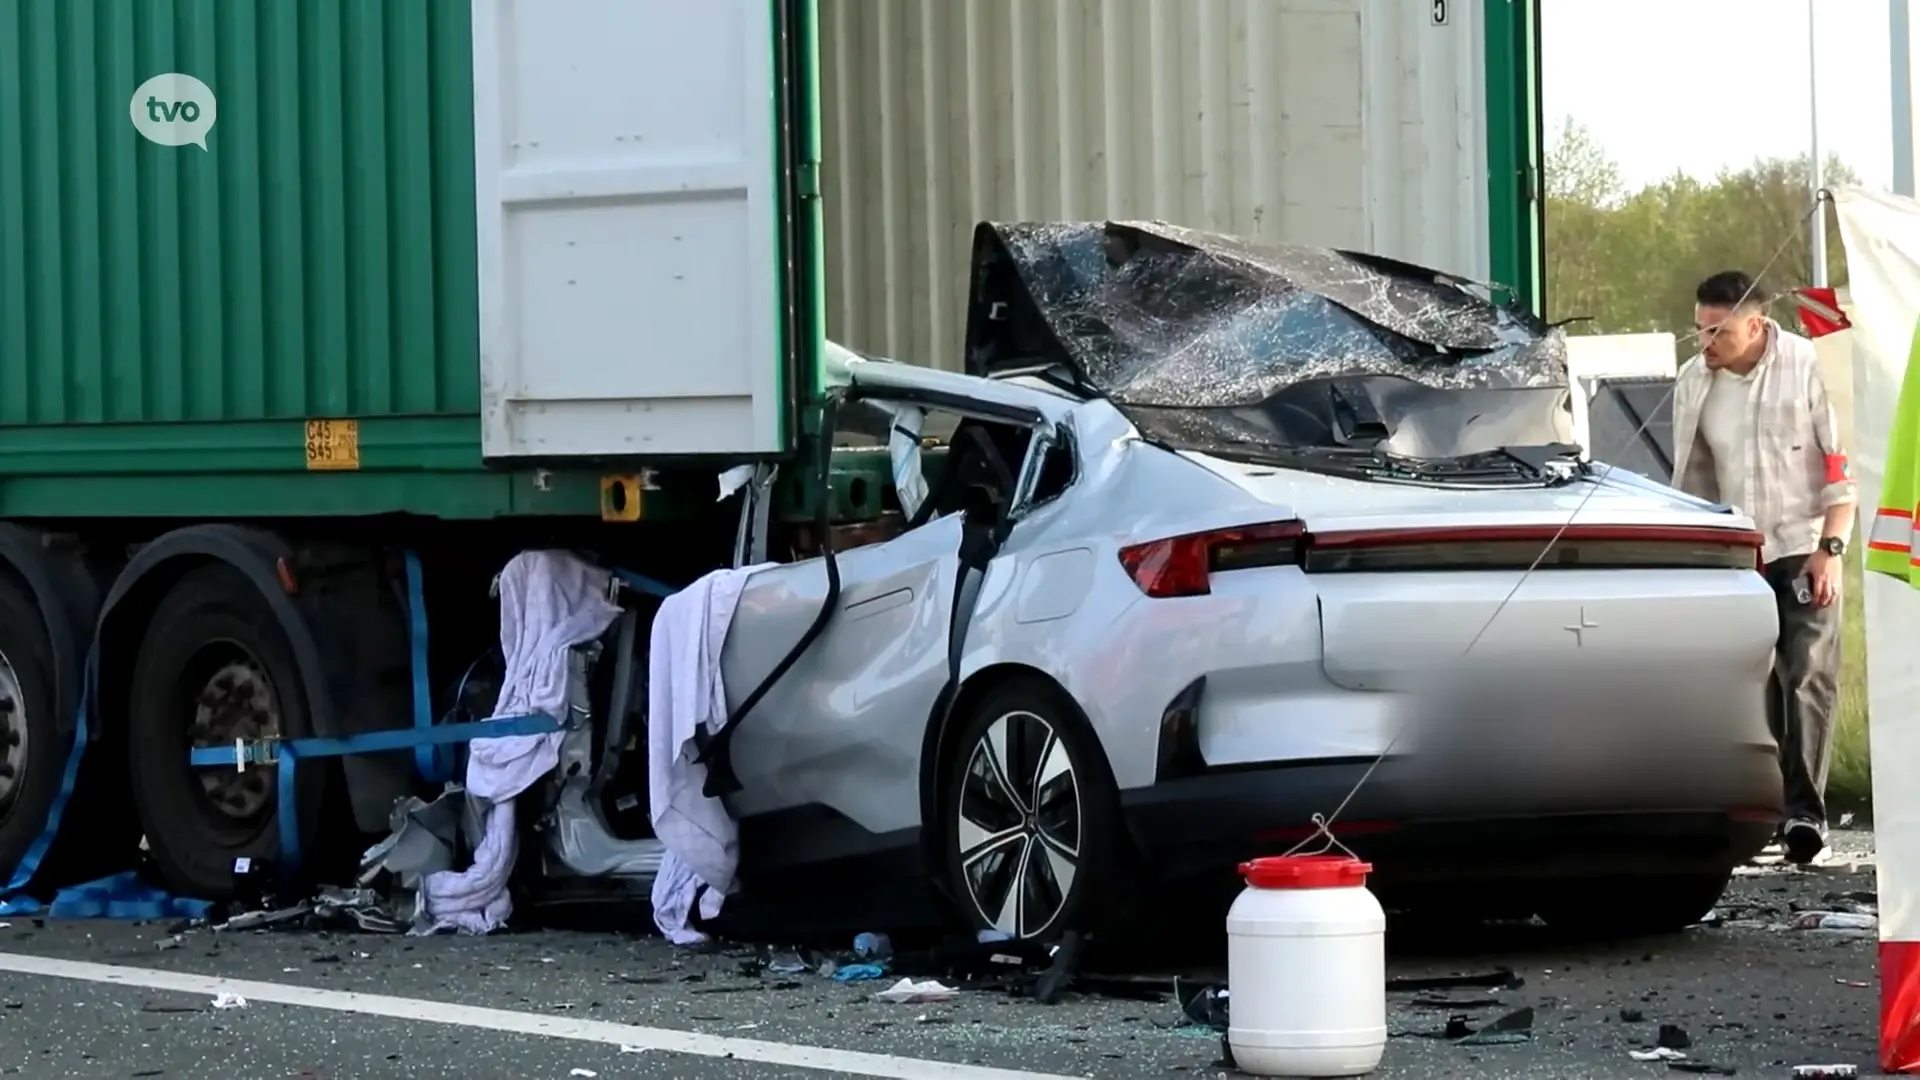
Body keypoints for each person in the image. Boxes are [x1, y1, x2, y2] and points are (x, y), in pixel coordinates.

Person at [1672, 270, 1856, 865]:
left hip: (1805, 545)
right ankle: (1762, 816)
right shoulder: (1693, 382)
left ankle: (1806, 817)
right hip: (1735, 554)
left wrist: (1830, 550)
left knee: (1806, 676)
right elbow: (1691, 480)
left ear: (1755, 323)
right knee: (1750, 687)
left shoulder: (1809, 366)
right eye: (1699, 329)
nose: (1706, 342)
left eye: (1718, 331)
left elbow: (1841, 464)